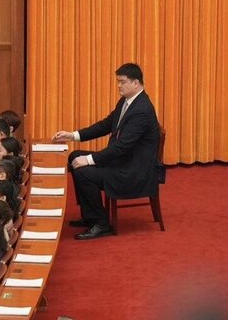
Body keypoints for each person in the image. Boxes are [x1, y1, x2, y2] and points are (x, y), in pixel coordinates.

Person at [53, 62, 160, 239]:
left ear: (136, 83)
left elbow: (121, 147)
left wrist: (89, 160)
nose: (118, 85)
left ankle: (101, 223)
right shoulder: (127, 101)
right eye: (117, 81)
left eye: (122, 82)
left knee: (84, 171)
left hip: (133, 171)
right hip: (123, 160)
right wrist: (73, 135)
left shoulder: (142, 110)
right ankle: (90, 216)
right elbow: (106, 125)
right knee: (75, 156)